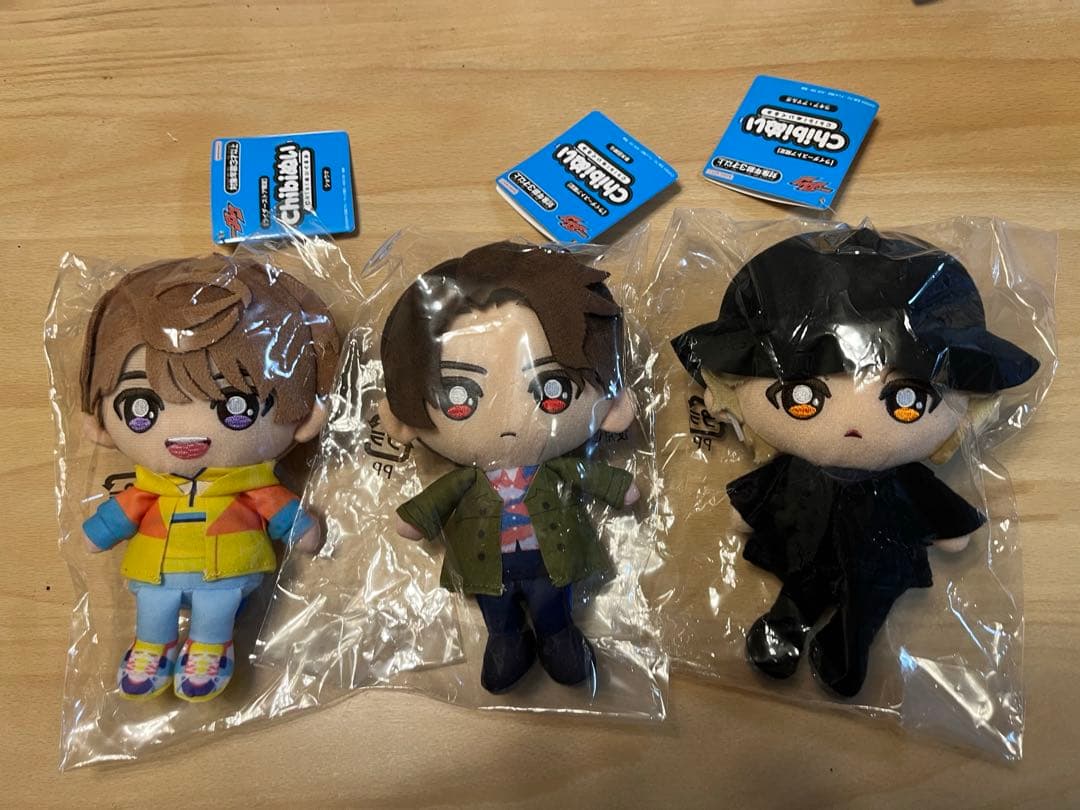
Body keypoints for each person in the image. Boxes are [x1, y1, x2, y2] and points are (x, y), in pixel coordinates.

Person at [672, 227, 1040, 697]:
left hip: (877, 565)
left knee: (865, 607)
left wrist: (950, 529)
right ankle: (786, 626)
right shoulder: (802, 470)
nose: (853, 425)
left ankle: (848, 646)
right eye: (802, 397)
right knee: (802, 588)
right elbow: (762, 494)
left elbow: (936, 508)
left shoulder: (902, 478)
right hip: (809, 551)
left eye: (906, 400)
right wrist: (747, 513)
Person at [379, 242, 639, 693]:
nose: (509, 420)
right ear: (400, 418)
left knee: (552, 604)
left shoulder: (556, 470)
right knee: (497, 611)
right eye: (459, 397)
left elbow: (590, 476)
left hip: (549, 560)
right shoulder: (468, 479)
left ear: (613, 409)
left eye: (553, 388)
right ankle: (506, 641)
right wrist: (417, 518)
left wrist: (619, 488)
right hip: (487, 566)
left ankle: (557, 635)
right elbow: (439, 498)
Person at [80, 255, 339, 701]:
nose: (187, 433)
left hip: (228, 571)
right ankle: (151, 648)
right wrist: (99, 530)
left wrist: (301, 528)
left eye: (236, 406)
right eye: (142, 408)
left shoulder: (253, 487)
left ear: (307, 416)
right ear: (99, 421)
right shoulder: (149, 491)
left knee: (218, 607)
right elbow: (117, 516)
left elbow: (282, 512)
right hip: (155, 568)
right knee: (153, 605)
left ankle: (210, 649)